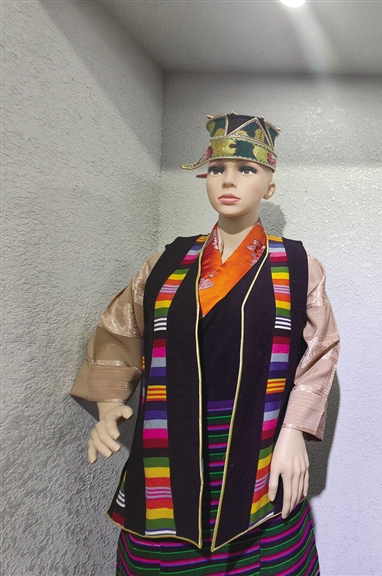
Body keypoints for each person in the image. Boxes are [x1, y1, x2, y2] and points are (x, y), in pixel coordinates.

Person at [72, 113, 339, 575]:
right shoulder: (164, 263)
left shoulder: (299, 267)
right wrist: (111, 403)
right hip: (165, 453)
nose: (228, 180)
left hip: (259, 455)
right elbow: (120, 331)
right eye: (217, 169)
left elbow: (320, 352)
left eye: (246, 169)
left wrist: (295, 429)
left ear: (270, 186)